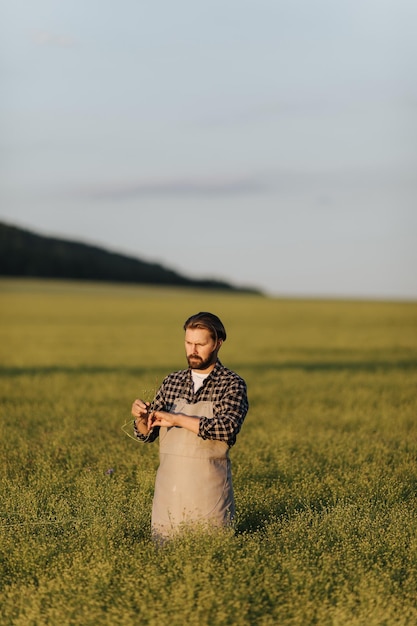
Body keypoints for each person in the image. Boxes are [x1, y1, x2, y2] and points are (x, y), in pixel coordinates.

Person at [131, 311, 249, 541]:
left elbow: (227, 428)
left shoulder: (232, 384)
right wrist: (141, 418)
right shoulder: (172, 381)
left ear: (218, 343)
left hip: (210, 497)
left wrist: (177, 419)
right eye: (188, 343)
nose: (192, 350)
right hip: (168, 495)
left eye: (200, 344)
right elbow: (147, 435)